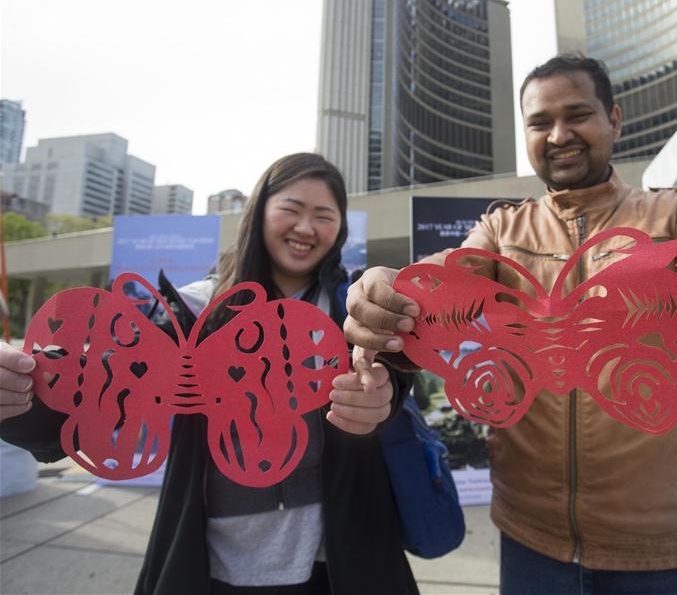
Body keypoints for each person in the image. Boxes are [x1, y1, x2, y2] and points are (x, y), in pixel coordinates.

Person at [343, 55, 677, 595]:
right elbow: (450, 280)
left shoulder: (675, 211)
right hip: (529, 539)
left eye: (577, 114)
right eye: (540, 122)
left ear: (615, 120)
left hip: (663, 548)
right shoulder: (500, 225)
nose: (559, 134)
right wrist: (394, 295)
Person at [0, 153, 419, 595]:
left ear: (340, 228)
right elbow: (101, 388)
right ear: (259, 212)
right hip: (216, 560)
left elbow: (394, 363)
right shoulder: (195, 309)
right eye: (291, 210)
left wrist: (386, 393)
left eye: (323, 215)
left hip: (343, 556)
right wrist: (21, 395)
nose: (305, 228)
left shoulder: (352, 305)